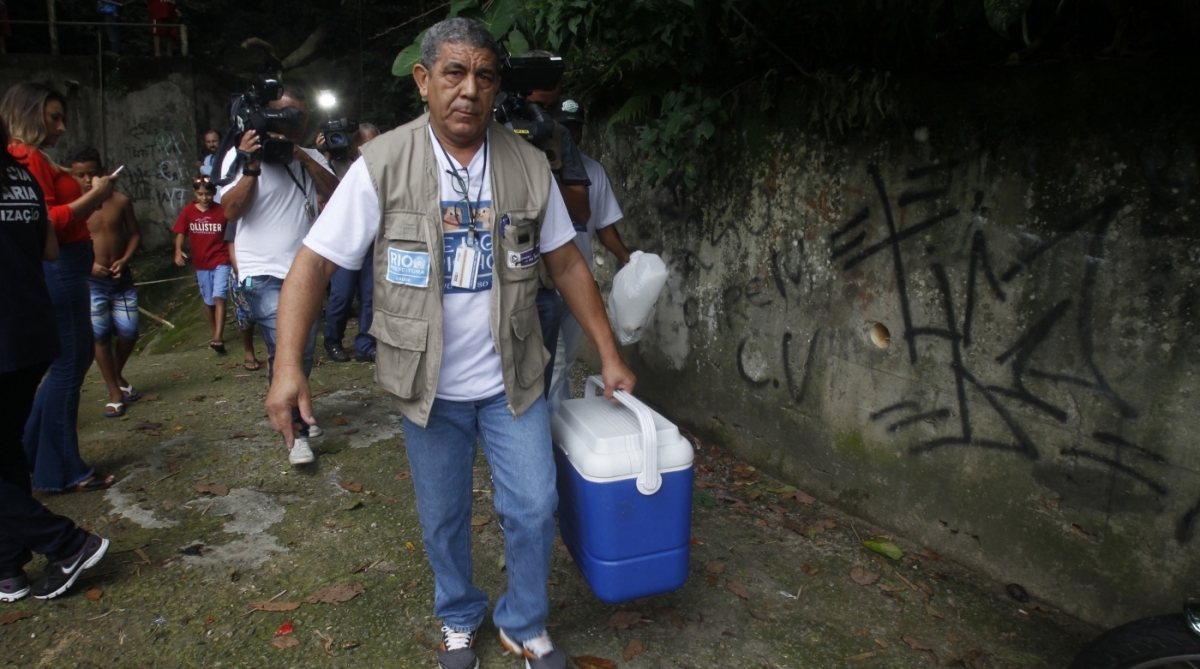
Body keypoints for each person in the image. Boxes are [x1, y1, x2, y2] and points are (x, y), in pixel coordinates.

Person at [265, 18, 636, 669]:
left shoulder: (526, 164)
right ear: (424, 80)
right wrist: (287, 368)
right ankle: (459, 613)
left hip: (511, 380)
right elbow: (314, 263)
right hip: (426, 386)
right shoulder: (383, 164)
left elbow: (568, 264)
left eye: (484, 76)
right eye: (454, 73)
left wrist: (608, 351)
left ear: (496, 87)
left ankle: (524, 621)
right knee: (443, 516)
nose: (469, 89)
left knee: (534, 504)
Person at [0, 117, 110, 602]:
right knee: (5, 452)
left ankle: (64, 543)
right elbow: (48, 247)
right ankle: (8, 566)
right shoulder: (21, 174)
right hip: (29, 322)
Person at [1, 82, 118, 492]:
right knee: (68, 365)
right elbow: (49, 220)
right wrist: (97, 194)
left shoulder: (36, 158)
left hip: (68, 267)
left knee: (72, 360)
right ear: (30, 114)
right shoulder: (25, 157)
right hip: (61, 268)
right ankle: (62, 469)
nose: (62, 126)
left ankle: (35, 454)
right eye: (53, 117)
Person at [216, 84, 338, 466]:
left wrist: (301, 155)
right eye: (283, 116)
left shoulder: (309, 155)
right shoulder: (238, 157)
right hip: (262, 271)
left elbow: (337, 194)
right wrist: (251, 166)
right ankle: (296, 436)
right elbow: (231, 212)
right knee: (289, 348)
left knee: (298, 349)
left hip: (304, 272)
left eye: (299, 118)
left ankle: (296, 411)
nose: (292, 125)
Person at [546, 97, 633, 415]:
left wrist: (626, 256)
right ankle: (555, 438)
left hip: (577, 285)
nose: (570, 133)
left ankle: (560, 432)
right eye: (563, 126)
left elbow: (603, 225)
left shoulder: (593, 171)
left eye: (575, 127)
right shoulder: (534, 165)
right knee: (552, 366)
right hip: (544, 285)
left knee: (564, 363)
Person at [520, 50, 594, 400]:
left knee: (547, 377)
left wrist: (543, 173)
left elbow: (582, 211)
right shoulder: (486, 132)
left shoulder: (558, 137)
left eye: (549, 109)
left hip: (546, 280)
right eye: (534, 106)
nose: (539, 117)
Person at [67, 144, 143, 419]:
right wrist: (90, 264)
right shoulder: (72, 208)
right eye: (80, 175)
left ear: (103, 172)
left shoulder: (120, 201)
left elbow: (135, 234)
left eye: (93, 173)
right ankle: (113, 391)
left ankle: (117, 374)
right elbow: (64, 242)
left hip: (121, 279)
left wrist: (124, 259)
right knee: (99, 336)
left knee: (129, 332)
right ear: (71, 175)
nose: (88, 180)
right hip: (91, 282)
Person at [319, 123, 381, 363]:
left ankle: (365, 344)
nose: (375, 147)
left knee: (370, 295)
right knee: (341, 296)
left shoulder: (383, 166)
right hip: (344, 241)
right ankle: (333, 340)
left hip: (372, 242)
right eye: (369, 142)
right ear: (356, 144)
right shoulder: (337, 164)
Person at [173, 175, 231, 355]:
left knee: (219, 296)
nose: (204, 198)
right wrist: (178, 250)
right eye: (200, 194)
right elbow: (181, 232)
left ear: (214, 193)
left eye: (207, 194)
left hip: (221, 259)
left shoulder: (222, 211)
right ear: (194, 193)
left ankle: (219, 337)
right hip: (201, 263)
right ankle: (215, 334)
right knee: (208, 300)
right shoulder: (188, 211)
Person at [223, 220, 260, 371]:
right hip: (247, 273)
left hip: (270, 269)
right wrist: (243, 274)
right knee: (246, 314)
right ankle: (249, 352)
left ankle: (273, 356)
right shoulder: (235, 217)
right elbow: (232, 248)